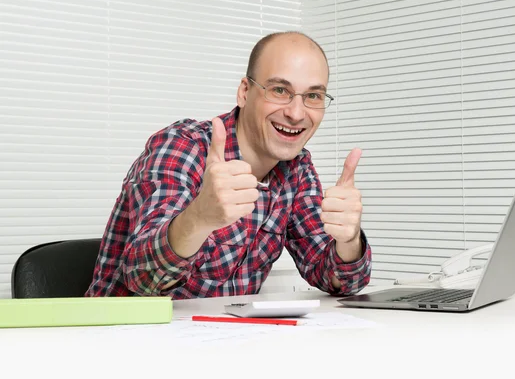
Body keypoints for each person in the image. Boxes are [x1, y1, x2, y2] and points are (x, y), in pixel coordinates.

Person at [85, 31, 372, 300]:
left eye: (313, 96)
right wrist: (199, 217)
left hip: (225, 342)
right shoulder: (182, 146)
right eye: (280, 90)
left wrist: (348, 240)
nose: (296, 114)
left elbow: (336, 278)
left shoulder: (296, 169)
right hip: (123, 339)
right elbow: (143, 278)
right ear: (245, 92)